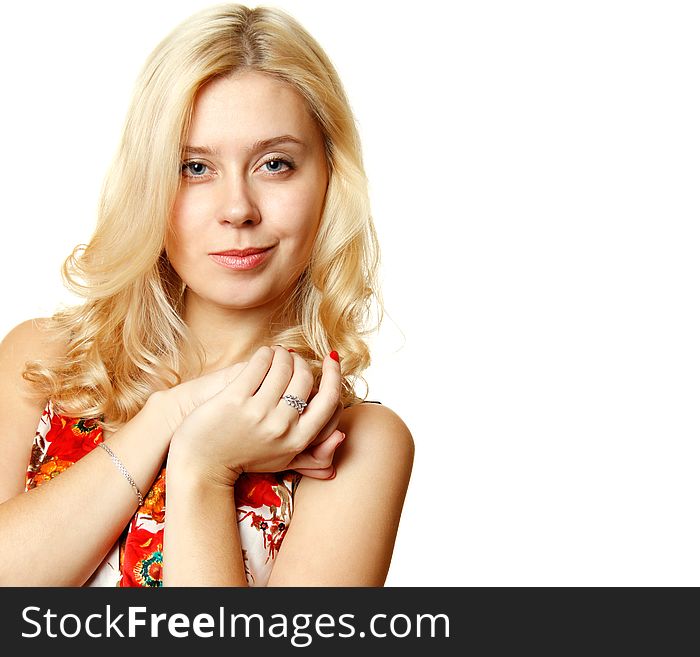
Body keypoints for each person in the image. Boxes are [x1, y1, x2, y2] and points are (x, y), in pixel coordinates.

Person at [0, 3, 414, 587]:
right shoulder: (45, 364)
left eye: (275, 164)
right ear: (149, 182)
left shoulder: (356, 443)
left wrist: (204, 466)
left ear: (328, 177)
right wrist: (173, 414)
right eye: (195, 167)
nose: (238, 209)